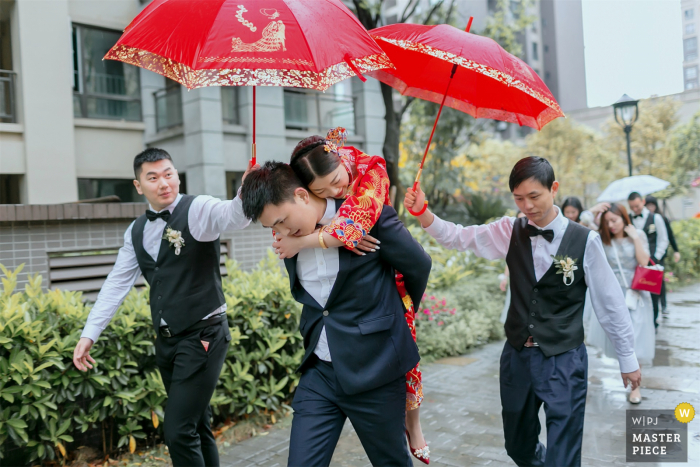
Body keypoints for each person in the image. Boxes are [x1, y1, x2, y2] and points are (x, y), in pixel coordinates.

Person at [405, 156, 641, 467]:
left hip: (564, 359)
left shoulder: (586, 240)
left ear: (553, 189)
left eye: (534, 196)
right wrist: (422, 212)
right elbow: (458, 236)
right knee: (517, 445)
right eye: (519, 198)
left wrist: (628, 359)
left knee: (564, 455)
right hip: (517, 357)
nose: (527, 206)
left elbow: (610, 303)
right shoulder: (508, 230)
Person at [240, 161, 431, 467]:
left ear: (302, 196)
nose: (281, 232)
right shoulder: (289, 238)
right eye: (272, 227)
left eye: (282, 221)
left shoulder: (368, 216)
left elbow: (419, 265)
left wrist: (394, 312)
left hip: (376, 370)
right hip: (320, 373)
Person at [72, 148, 254, 467]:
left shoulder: (198, 208)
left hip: (203, 335)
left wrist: (246, 190)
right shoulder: (136, 231)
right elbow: (116, 284)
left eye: (168, 173)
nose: (163, 183)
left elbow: (234, 216)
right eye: (153, 177)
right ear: (139, 185)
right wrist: (89, 334)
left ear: (177, 176)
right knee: (196, 425)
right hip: (167, 342)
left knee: (178, 430)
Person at [587, 203, 655, 404]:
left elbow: (644, 262)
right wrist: (594, 209)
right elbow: (581, 222)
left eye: (614, 220)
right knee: (621, 339)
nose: (611, 225)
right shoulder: (601, 239)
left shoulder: (638, 235)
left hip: (636, 294)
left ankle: (636, 388)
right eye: (607, 222)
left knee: (636, 341)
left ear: (624, 218)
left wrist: (635, 238)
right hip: (613, 296)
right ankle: (628, 377)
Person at [627, 192, 669, 328]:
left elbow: (663, 239)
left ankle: (653, 322)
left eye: (637, 206)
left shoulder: (655, 218)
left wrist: (656, 257)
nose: (635, 209)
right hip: (635, 264)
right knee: (636, 293)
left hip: (652, 263)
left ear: (643, 202)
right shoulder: (628, 219)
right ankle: (639, 323)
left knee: (653, 294)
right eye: (632, 207)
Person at [645, 195, 681, 316]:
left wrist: (676, 250)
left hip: (659, 256)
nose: (650, 207)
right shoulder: (645, 219)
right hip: (647, 257)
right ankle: (652, 307)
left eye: (652, 205)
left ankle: (663, 305)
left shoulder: (661, 218)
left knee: (659, 281)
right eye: (648, 205)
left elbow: (669, 236)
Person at [499, 211, 527, 324]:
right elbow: (509, 260)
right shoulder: (514, 237)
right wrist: (505, 278)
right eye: (520, 219)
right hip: (517, 277)